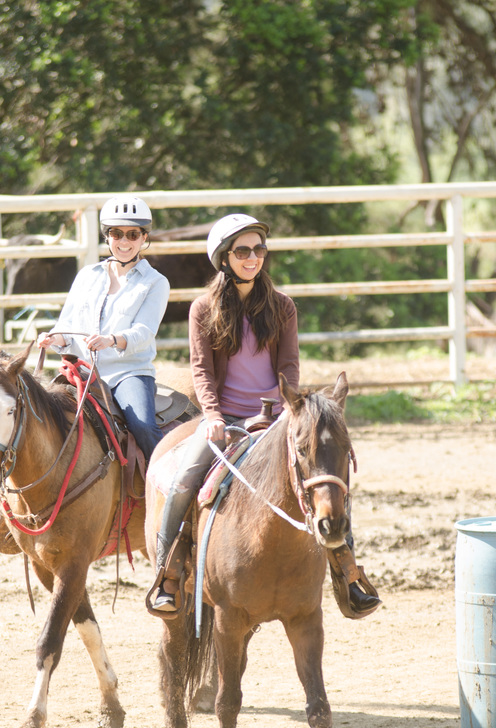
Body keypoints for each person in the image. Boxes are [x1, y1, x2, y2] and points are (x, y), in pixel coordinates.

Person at [150, 213, 381, 618]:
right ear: (225, 258)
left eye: (259, 249)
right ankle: (168, 575)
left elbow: (289, 366)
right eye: (243, 251)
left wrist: (286, 409)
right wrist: (214, 415)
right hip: (224, 417)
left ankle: (348, 575)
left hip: (278, 416)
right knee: (185, 479)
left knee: (325, 478)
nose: (253, 257)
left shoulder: (282, 307)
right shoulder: (203, 309)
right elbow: (202, 370)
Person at [36, 195, 170, 459]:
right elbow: (67, 323)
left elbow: (145, 332)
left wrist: (112, 339)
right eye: (116, 233)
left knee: (143, 427)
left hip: (127, 373)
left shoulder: (155, 282)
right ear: (106, 236)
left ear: (144, 238)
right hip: (82, 372)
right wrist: (55, 338)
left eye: (133, 234)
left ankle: (166, 485)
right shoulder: (86, 276)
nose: (124, 241)